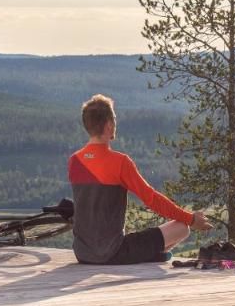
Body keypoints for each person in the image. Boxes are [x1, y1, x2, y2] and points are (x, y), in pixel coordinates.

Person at [68, 94, 212, 264]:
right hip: (113, 253)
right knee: (182, 228)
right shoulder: (120, 162)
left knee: (146, 242)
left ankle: (154, 255)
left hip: (82, 253)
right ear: (108, 125)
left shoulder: (74, 161)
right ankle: (155, 255)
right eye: (114, 118)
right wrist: (191, 219)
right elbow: (151, 199)